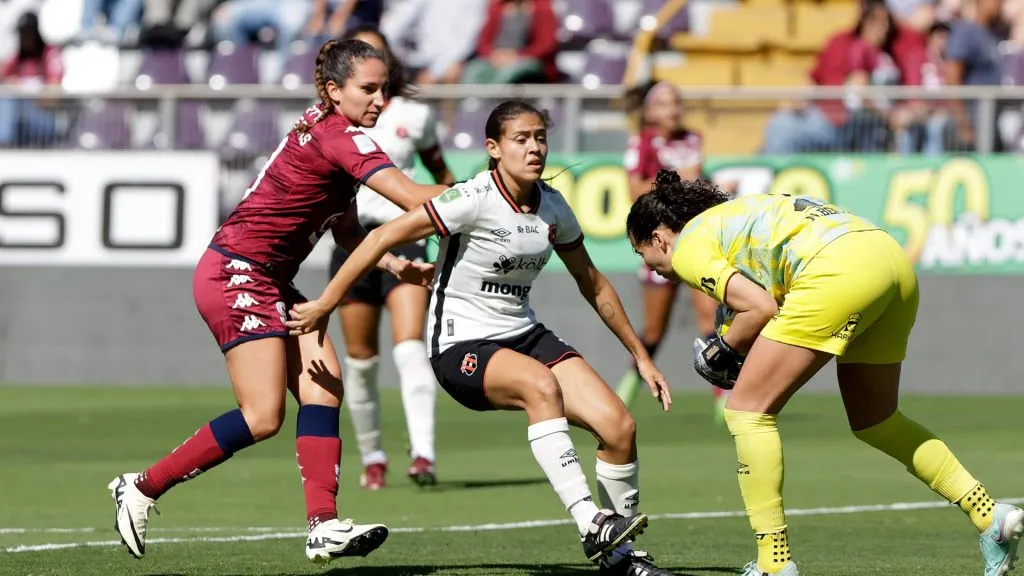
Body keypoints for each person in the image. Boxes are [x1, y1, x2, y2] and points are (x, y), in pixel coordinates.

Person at [286, 100, 680, 576]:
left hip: (524, 334)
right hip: (460, 346)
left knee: (619, 427)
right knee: (540, 384)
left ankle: (621, 557)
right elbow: (379, 237)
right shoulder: (470, 198)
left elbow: (592, 282)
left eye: (540, 138)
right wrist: (326, 302)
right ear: (493, 148)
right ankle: (589, 521)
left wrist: (641, 356)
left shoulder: (554, 206)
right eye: (521, 139)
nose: (534, 148)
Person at [107, 39, 448, 565]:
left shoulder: (331, 130)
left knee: (324, 387)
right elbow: (410, 197)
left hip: (265, 277)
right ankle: (142, 486)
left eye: (385, 89)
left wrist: (395, 266)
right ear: (334, 90)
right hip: (236, 272)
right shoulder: (340, 136)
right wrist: (493, 190)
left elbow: (347, 232)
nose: (381, 100)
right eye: (369, 89)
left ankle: (323, 526)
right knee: (263, 416)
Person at [626, 170, 1024, 576]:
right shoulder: (736, 214)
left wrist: (722, 350)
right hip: (889, 259)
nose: (652, 268)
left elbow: (759, 308)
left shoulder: (688, 246)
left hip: (839, 269)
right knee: (877, 420)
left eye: (642, 254)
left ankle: (773, 564)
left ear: (659, 238)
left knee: (747, 411)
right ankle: (990, 516)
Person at [328, 25, 452, 490]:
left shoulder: (414, 115)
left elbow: (440, 172)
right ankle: (373, 457)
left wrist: (456, 207)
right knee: (361, 361)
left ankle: (423, 454)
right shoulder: (333, 123)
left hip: (404, 240)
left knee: (409, 346)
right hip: (354, 243)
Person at [613, 81, 725, 422]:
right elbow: (634, 192)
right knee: (654, 331)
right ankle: (630, 384)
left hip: (695, 241)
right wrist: (679, 180)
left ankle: (724, 396)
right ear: (649, 111)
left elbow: (698, 187)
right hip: (661, 245)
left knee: (711, 319)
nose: (672, 109)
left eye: (676, 101)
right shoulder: (642, 144)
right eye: (663, 103)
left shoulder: (693, 139)